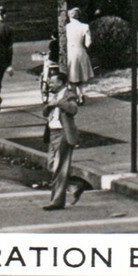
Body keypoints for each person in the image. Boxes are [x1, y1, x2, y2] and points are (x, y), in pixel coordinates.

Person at [42, 69, 83, 211]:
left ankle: (56, 201)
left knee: (59, 167)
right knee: (52, 165)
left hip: (63, 133)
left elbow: (73, 110)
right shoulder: (53, 95)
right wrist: (49, 105)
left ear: (60, 83)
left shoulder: (68, 94)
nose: (50, 85)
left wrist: (58, 103)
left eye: (52, 82)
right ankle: (74, 186)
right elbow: (45, 112)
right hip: (52, 133)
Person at [62, 7, 94, 103]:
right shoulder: (85, 26)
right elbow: (88, 43)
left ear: (69, 16)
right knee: (80, 75)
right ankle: (81, 94)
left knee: (72, 75)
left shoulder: (66, 27)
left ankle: (75, 96)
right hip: (81, 51)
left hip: (70, 52)